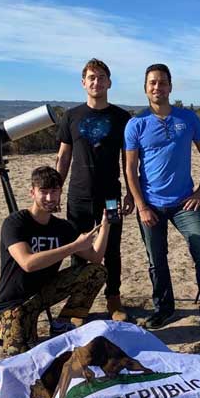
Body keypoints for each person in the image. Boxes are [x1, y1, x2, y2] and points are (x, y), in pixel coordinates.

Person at [124, 63, 200, 342]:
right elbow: (130, 169)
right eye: (152, 83)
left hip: (184, 202)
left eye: (162, 82)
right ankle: (164, 308)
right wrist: (142, 206)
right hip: (151, 204)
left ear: (170, 86)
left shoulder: (187, 118)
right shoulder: (136, 124)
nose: (158, 87)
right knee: (156, 259)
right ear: (145, 88)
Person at [0, 166, 109, 355]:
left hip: (45, 293)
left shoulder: (62, 227)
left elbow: (95, 257)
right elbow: (28, 263)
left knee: (96, 272)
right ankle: (6, 325)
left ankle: (63, 323)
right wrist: (74, 246)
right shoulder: (15, 222)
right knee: (20, 354)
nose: (49, 197)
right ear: (32, 192)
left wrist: (105, 226)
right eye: (44, 192)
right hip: (16, 302)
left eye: (54, 191)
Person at [56, 58, 133, 322]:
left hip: (110, 195)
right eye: (91, 77)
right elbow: (63, 157)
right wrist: (57, 188)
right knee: (79, 248)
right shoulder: (71, 116)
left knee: (112, 248)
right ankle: (79, 304)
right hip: (78, 195)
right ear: (83, 83)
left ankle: (114, 299)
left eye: (101, 77)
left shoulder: (121, 118)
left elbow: (128, 160)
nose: (96, 82)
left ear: (109, 82)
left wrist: (130, 193)